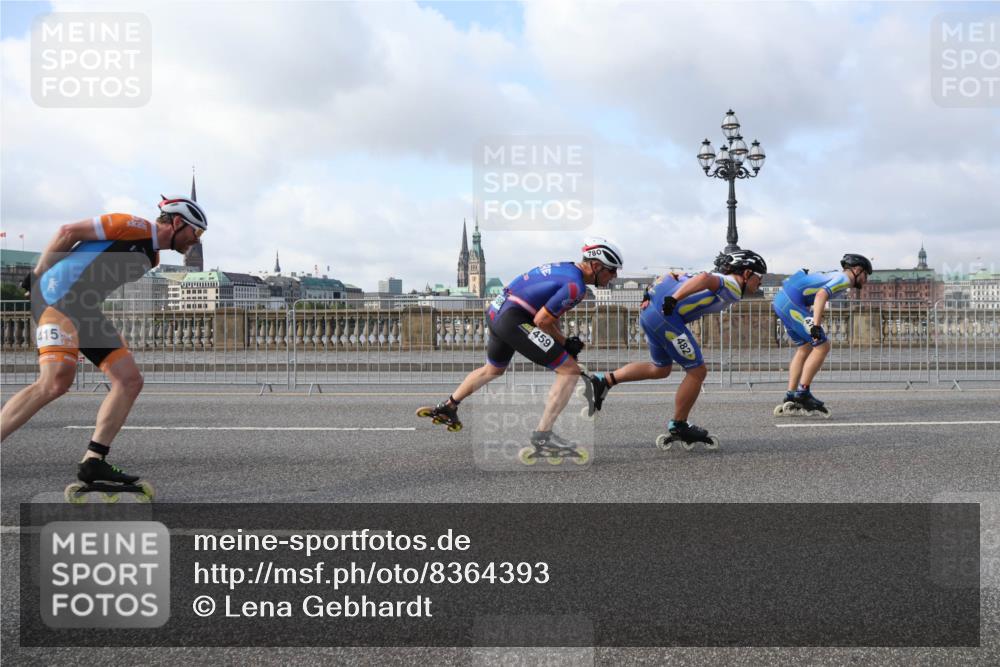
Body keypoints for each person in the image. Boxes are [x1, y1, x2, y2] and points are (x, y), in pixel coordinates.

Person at [1, 196, 207, 492]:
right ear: (176, 222)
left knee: (129, 380)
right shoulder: (129, 225)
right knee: (55, 382)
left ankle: (94, 460)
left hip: (84, 309)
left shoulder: (153, 258)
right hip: (57, 297)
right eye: (195, 232)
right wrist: (36, 276)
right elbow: (68, 232)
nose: (196, 240)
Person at [416, 237, 623, 462]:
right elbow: (542, 320)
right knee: (569, 370)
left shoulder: (566, 267)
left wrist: (562, 342)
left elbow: (544, 313)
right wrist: (564, 343)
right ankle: (543, 437)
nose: (614, 276)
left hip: (498, 311)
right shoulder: (576, 287)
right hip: (513, 318)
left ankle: (449, 405)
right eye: (612, 271)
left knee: (492, 370)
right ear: (596, 266)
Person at [582, 250, 767, 449]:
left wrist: (649, 293)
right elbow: (705, 278)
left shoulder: (723, 279)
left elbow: (670, 275)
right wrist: (675, 299)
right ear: (747, 273)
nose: (761, 283)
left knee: (661, 368)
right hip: (666, 319)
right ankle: (679, 425)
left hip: (651, 315)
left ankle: (603, 381)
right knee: (697, 371)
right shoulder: (732, 283)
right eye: (759, 277)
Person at [771, 253, 872, 417]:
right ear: (857, 270)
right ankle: (802, 394)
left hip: (781, 302)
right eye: (866, 275)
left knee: (804, 348)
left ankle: (790, 396)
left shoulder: (833, 274)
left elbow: (809, 291)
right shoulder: (844, 279)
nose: (866, 280)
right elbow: (821, 295)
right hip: (791, 302)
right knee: (822, 346)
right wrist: (816, 326)